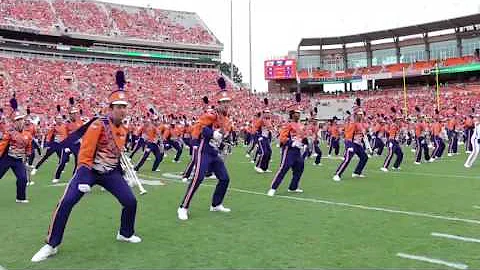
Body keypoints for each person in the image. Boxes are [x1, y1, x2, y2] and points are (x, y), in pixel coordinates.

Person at [31, 71, 141, 263]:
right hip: (88, 172)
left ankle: (125, 233)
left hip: (109, 173)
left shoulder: (124, 129)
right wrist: (82, 177)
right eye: (118, 107)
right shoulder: (98, 125)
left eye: (125, 107)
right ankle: (51, 244)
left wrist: (124, 175)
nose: (122, 110)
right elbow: (86, 153)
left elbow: (115, 156)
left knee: (130, 202)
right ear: (111, 108)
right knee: (66, 202)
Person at [177, 78, 233, 221]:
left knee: (225, 178)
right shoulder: (212, 114)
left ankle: (216, 204)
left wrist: (223, 140)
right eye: (224, 103)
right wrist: (211, 133)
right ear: (219, 104)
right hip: (204, 150)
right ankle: (183, 207)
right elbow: (200, 126)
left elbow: (222, 135)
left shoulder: (226, 119)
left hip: (214, 152)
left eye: (228, 102)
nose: (226, 105)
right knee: (198, 178)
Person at [267, 105, 305, 197]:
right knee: (284, 168)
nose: (298, 115)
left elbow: (302, 136)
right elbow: (282, 138)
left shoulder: (299, 125)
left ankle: (293, 187)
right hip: (289, 150)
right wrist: (292, 142)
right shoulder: (288, 125)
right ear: (292, 114)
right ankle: (273, 188)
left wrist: (303, 142)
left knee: (300, 167)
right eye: (297, 113)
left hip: (297, 151)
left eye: (299, 113)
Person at [0, 99, 32, 203]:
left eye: (21, 120)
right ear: (14, 122)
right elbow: (2, 145)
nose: (21, 122)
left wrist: (28, 155)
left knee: (23, 179)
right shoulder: (10, 133)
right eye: (18, 120)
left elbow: (28, 147)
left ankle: (20, 198)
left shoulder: (27, 134)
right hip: (7, 159)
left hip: (18, 160)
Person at [333, 110, 369, 182]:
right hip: (351, 142)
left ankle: (357, 172)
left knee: (364, 157)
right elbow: (348, 134)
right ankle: (337, 174)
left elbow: (364, 131)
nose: (361, 116)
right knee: (348, 158)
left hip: (357, 144)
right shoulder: (353, 123)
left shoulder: (361, 123)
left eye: (362, 115)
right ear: (356, 115)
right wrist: (349, 144)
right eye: (359, 115)